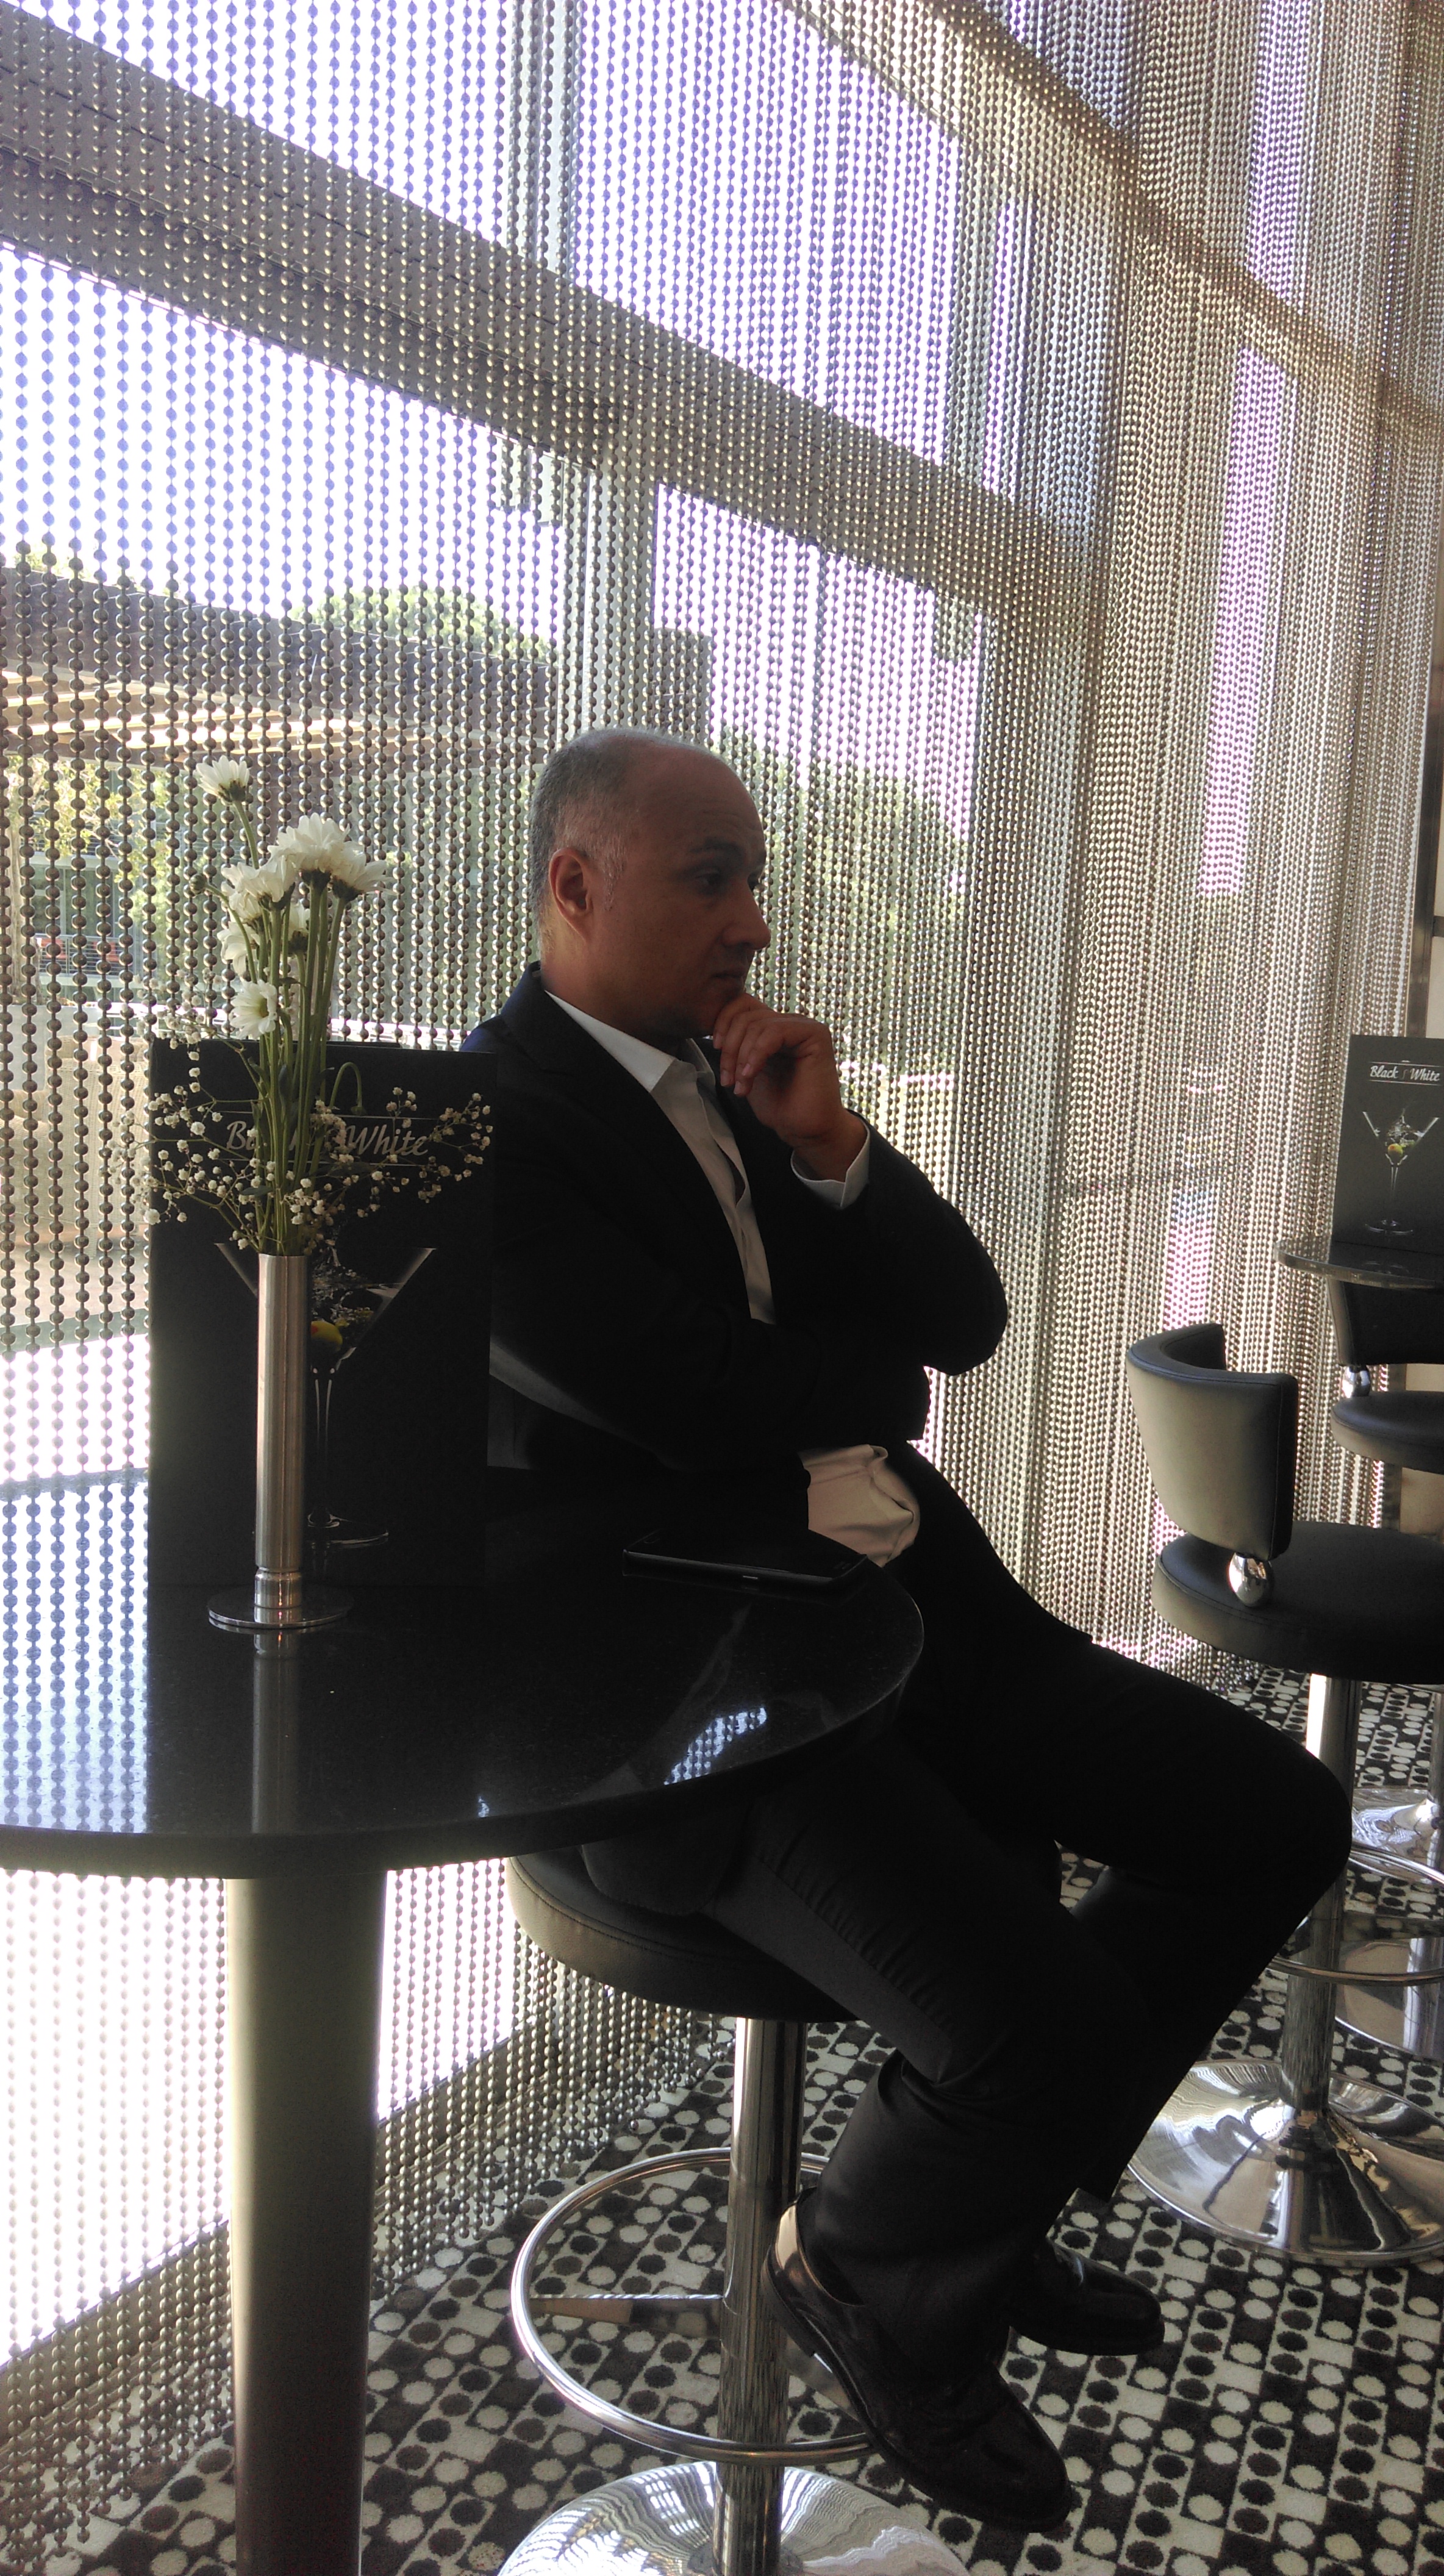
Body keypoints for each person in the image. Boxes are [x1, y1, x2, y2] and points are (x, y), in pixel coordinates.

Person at [463, 729, 1350, 2532]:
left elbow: (963, 1322)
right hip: (700, 1702)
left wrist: (835, 1144)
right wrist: (853, 1383)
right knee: (1046, 2030)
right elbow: (693, 1400)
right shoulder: (487, 1121)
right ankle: (877, 2266)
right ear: (575, 885)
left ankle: (966, 2207)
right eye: (710, 876)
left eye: (753, 878)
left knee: (1275, 1815)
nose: (753, 920)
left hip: (913, 1618)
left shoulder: (746, 1080)